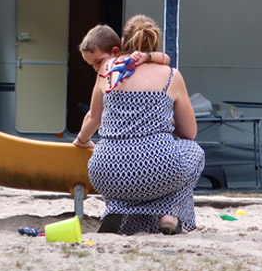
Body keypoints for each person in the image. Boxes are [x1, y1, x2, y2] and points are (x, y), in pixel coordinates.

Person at [75, 15, 204, 234]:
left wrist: (81, 141)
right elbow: (189, 132)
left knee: (132, 179)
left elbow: (92, 117)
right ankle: (169, 212)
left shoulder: (108, 70)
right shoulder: (171, 75)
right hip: (158, 168)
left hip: (106, 171)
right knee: (194, 152)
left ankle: (117, 209)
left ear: (123, 44)